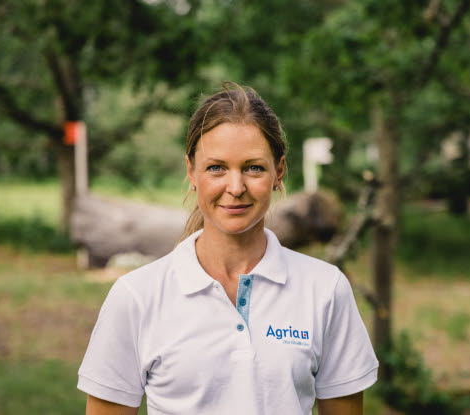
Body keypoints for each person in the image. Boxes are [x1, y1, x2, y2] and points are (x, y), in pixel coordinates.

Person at [78, 82, 378, 415]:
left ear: (279, 171)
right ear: (192, 172)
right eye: (216, 167)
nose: (235, 188)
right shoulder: (136, 297)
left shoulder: (325, 289)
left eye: (253, 168)